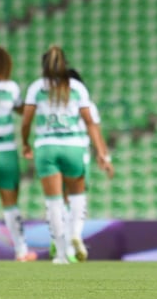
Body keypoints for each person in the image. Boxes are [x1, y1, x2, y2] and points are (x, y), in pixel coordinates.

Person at [21, 46, 114, 264]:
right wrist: (102, 154)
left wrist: (25, 143)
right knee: (77, 197)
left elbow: (26, 121)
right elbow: (91, 123)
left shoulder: (36, 88)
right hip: (74, 146)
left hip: (46, 147)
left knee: (54, 202)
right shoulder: (77, 88)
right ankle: (75, 234)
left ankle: (61, 254)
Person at [49, 68, 114, 262]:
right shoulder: (86, 104)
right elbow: (95, 130)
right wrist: (104, 158)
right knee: (77, 199)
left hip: (54, 155)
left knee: (58, 199)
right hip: (78, 155)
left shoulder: (53, 105)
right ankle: (73, 237)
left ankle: (60, 239)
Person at [0, 46, 37, 261]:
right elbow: (21, 110)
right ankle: (21, 251)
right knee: (10, 205)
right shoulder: (11, 88)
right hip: (5, 152)